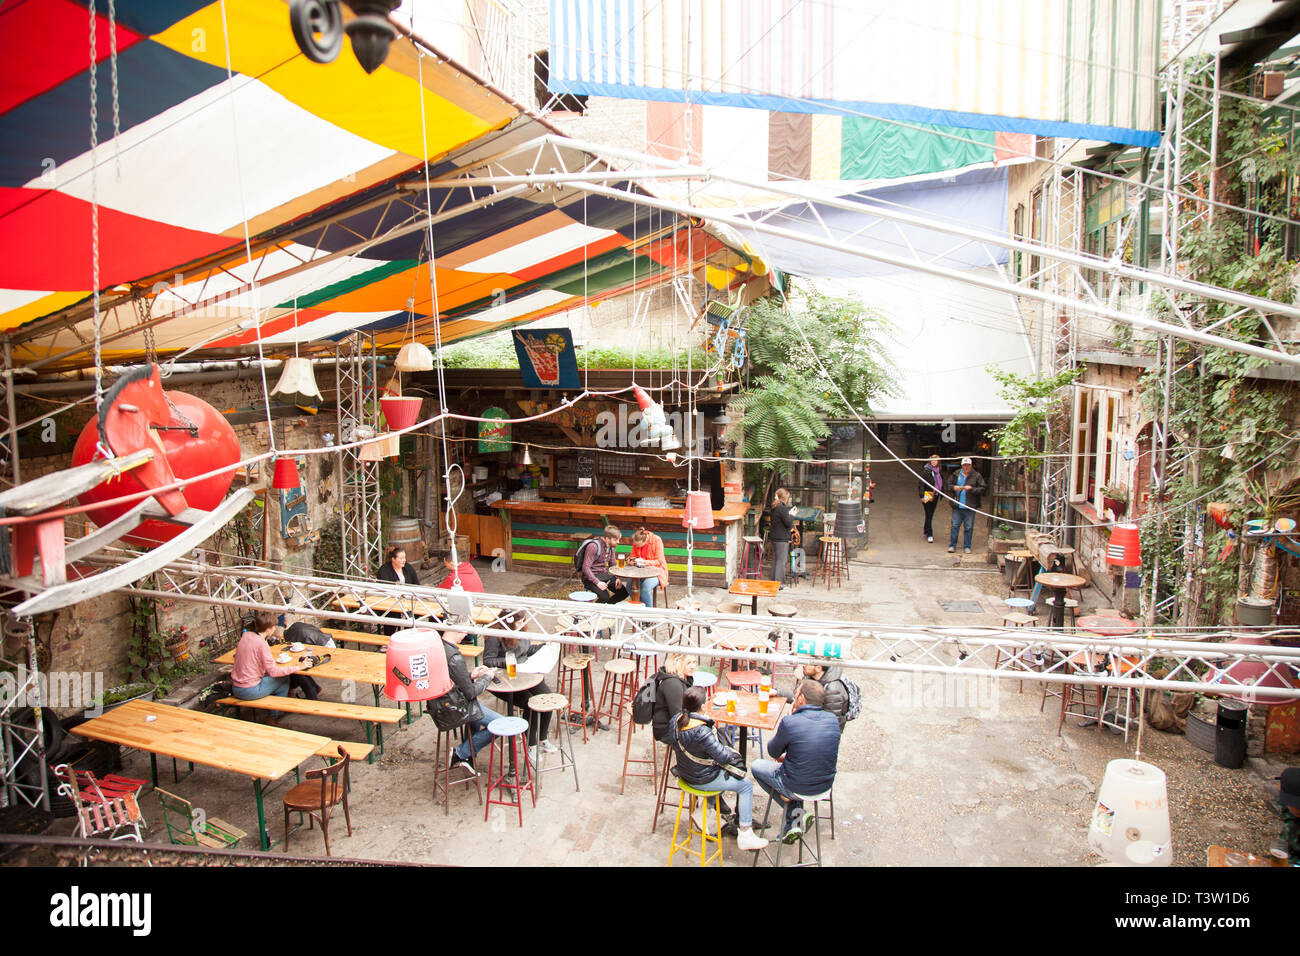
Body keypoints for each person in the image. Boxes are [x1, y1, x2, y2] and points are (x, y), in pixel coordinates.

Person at [669, 686, 768, 851]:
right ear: (703, 706)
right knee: (745, 785)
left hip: (685, 771)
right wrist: (716, 735)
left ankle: (703, 813)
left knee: (725, 773)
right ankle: (745, 833)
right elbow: (723, 757)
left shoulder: (675, 720)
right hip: (702, 779)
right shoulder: (702, 731)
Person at [750, 679, 841, 844]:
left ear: (801, 699)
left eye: (797, 693)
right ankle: (796, 818)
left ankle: (795, 815)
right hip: (825, 785)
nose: (795, 695)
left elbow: (773, 752)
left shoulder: (790, 722)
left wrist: (787, 721)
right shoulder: (832, 720)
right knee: (795, 769)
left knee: (757, 766)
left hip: (796, 785)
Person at [426, 628, 504, 775]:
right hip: (455, 708)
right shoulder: (454, 657)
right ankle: (461, 753)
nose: (465, 636)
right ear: (457, 630)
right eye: (464, 632)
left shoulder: (437, 647)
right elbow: (471, 692)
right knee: (501, 724)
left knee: (475, 719)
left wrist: (471, 675)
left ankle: (468, 758)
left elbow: (450, 678)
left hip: (441, 704)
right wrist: (487, 677)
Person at [482, 610, 556, 761]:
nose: (523, 624)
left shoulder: (521, 630)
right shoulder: (495, 635)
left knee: (547, 698)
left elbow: (526, 650)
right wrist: (506, 661)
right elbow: (488, 660)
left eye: (524, 621)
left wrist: (544, 646)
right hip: (504, 680)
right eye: (520, 621)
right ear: (509, 621)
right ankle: (531, 744)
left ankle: (542, 738)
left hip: (525, 672)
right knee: (531, 704)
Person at [230, 610, 310, 715]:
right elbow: (274, 672)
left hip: (236, 687)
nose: (274, 629)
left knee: (280, 683)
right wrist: (299, 667)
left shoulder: (246, 636)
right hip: (249, 690)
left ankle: (275, 712)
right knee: (285, 679)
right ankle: (273, 716)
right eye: (273, 627)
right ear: (268, 629)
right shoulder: (261, 644)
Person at [651, 652, 696, 744]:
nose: (693, 666)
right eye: (688, 663)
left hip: (676, 723)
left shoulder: (685, 678)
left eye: (694, 662)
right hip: (667, 731)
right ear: (678, 663)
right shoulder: (673, 684)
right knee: (705, 738)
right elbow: (678, 717)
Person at [947, 456, 986, 554]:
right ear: (961, 466)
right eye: (964, 465)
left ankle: (967, 546)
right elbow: (948, 485)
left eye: (968, 465)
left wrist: (971, 489)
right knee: (955, 526)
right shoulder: (956, 474)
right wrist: (954, 488)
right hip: (957, 505)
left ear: (971, 465)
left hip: (970, 506)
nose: (966, 467)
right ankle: (952, 545)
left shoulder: (976, 475)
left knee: (968, 527)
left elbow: (983, 488)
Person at [580, 525, 628, 604]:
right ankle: (594, 610)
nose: (618, 542)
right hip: (590, 577)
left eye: (619, 539)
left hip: (603, 575)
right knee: (604, 597)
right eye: (616, 540)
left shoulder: (611, 547)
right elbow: (585, 568)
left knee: (624, 592)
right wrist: (597, 582)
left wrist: (617, 577)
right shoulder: (593, 546)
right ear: (607, 538)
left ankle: (606, 607)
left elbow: (612, 563)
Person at [801, 662, 850, 731]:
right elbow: (799, 696)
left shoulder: (832, 690)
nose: (803, 665)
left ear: (818, 668)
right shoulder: (810, 676)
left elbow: (830, 724)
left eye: (808, 663)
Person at [629, 527, 669, 606]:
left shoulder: (657, 540)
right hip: (640, 571)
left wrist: (644, 562)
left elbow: (659, 562)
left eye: (639, 545)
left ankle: (648, 614)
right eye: (636, 545)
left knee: (644, 589)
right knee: (629, 586)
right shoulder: (636, 541)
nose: (637, 546)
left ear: (645, 541)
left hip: (658, 572)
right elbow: (633, 555)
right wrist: (631, 560)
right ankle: (640, 607)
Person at [768, 488, 796, 589]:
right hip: (781, 538)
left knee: (776, 560)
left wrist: (788, 515)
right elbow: (788, 523)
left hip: (774, 537)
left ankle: (773, 582)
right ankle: (780, 584)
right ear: (784, 498)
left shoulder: (775, 506)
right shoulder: (783, 508)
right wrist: (792, 515)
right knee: (781, 561)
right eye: (787, 497)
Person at [918, 454, 944, 543]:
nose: (934, 462)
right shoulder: (926, 471)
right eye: (932, 460)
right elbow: (921, 484)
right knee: (928, 513)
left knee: (930, 514)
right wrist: (921, 495)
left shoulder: (939, 470)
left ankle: (926, 529)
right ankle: (930, 534)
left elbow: (941, 481)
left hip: (936, 494)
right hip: (928, 494)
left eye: (935, 460)